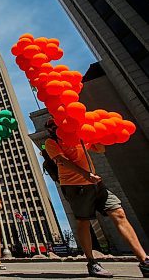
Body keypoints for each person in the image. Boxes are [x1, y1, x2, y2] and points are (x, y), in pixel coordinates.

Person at [44, 118, 149, 278]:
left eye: (55, 124)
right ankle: (92, 262)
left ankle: (144, 260)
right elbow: (62, 161)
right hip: (76, 187)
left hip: (97, 184)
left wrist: (95, 136)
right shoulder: (51, 142)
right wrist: (86, 174)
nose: (53, 127)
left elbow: (100, 149)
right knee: (83, 221)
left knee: (119, 213)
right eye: (50, 126)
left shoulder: (79, 136)